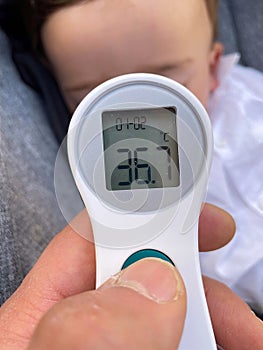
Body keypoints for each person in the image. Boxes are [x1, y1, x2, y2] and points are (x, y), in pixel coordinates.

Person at [0, 0, 262, 349]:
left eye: (161, 83)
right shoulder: (87, 174)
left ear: (213, 67)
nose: (133, 115)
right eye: (95, 95)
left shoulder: (251, 106)